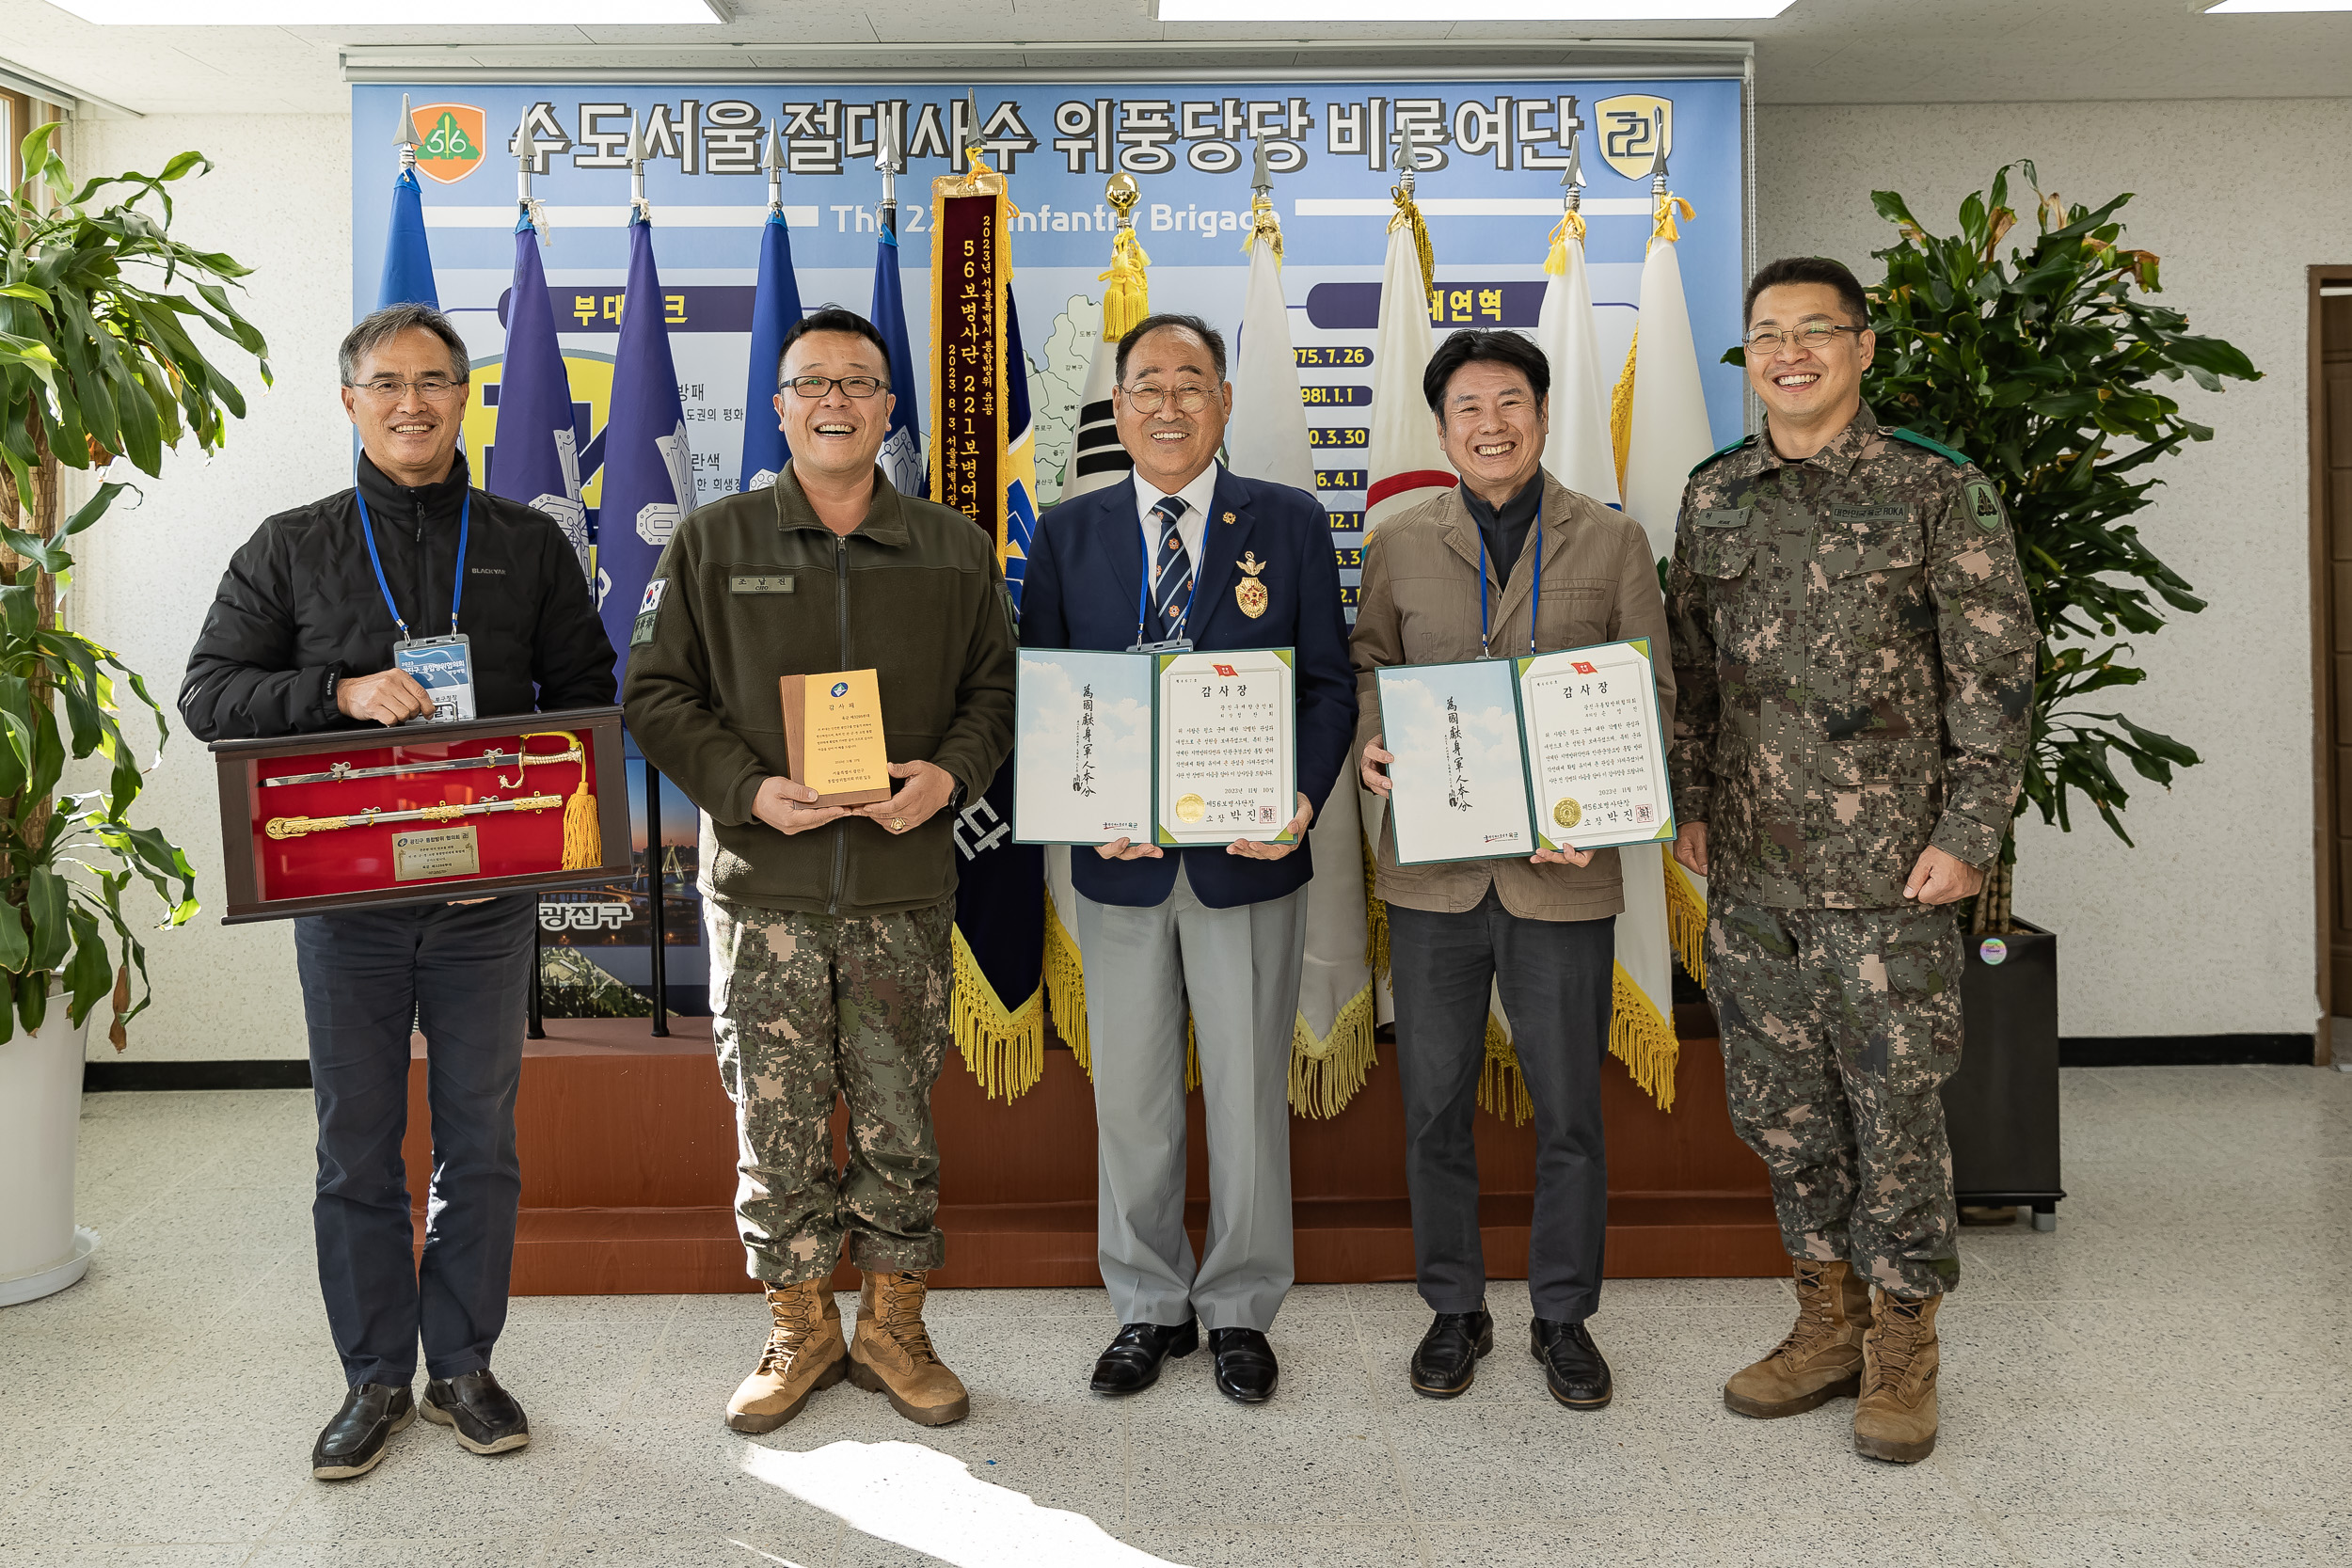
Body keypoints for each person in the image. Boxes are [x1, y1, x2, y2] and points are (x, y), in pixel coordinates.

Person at [178, 303, 617, 1481]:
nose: (411, 401)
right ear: (350, 400)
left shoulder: (529, 543)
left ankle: (462, 1365)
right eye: (387, 383)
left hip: (485, 906)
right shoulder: (291, 543)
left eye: (433, 380)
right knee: (356, 1147)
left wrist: (517, 816)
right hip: (348, 905)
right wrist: (340, 691)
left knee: (480, 1143)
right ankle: (372, 1378)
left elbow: (588, 701)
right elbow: (210, 694)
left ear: (464, 396)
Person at [1666, 257, 2037, 1463]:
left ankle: (1904, 1343)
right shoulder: (1714, 494)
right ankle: (1824, 1317)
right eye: (1767, 332)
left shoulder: (1937, 490)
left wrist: (1966, 835)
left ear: (1861, 347)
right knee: (1783, 1113)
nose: (1789, 351)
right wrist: (1693, 805)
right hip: (1756, 875)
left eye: (1814, 330)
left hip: (1894, 875)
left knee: (1896, 1107)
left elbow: (1996, 680)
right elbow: (1694, 678)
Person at [623, 305, 1016, 1434]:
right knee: (775, 1122)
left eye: (858, 380)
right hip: (766, 893)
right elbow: (654, 695)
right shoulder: (714, 542)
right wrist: (747, 789)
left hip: (900, 890)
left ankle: (893, 1323)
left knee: (899, 1119)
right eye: (811, 382)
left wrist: (948, 775)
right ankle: (799, 1325)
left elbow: (995, 692)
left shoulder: (950, 547)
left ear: (889, 407)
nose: (835, 398)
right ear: (780, 405)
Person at [1021, 312, 1354, 1405]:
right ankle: (1148, 1302)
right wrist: (1082, 808)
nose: (1168, 403)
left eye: (1191, 383)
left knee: (1251, 1095)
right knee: (1132, 1093)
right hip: (1117, 859)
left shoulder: (1290, 522)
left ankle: (1242, 1306)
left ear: (1222, 400)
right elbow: (1047, 694)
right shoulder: (1067, 535)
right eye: (1146, 384)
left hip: (1248, 856)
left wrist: (1300, 799)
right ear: (1118, 407)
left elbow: (1325, 687)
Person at [1350, 329, 1670, 1410]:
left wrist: (1608, 803)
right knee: (1433, 1105)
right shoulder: (1396, 542)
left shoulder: (1613, 539)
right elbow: (1368, 670)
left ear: (1541, 412)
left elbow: (1650, 697)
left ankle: (1564, 1316)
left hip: (1561, 873)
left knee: (1569, 1109)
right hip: (1434, 881)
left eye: (1511, 402)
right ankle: (1454, 1306)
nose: (1491, 423)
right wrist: (1369, 740)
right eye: (1468, 407)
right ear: (1440, 428)